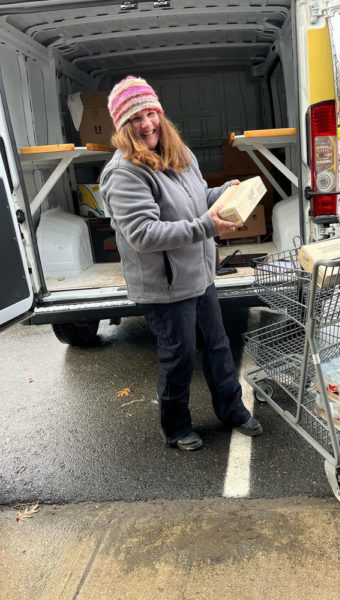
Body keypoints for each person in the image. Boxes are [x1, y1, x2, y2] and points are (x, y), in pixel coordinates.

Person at [100, 75, 262, 451]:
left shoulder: (179, 154)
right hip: (164, 286)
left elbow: (197, 196)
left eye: (150, 113)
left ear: (160, 114)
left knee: (219, 346)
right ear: (122, 127)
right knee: (180, 357)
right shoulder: (124, 172)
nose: (146, 124)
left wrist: (225, 193)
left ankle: (232, 410)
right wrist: (207, 225)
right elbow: (143, 233)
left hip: (200, 275)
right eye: (134, 119)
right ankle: (175, 428)